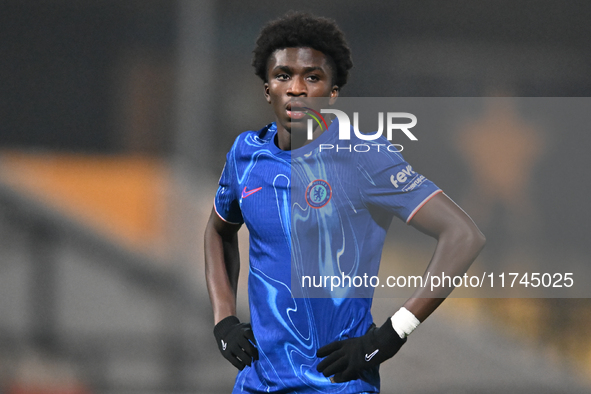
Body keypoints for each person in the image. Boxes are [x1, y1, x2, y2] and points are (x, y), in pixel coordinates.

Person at [204, 11, 485, 393]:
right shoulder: (245, 154)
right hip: (258, 385)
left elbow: (463, 235)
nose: (297, 88)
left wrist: (391, 335)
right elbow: (219, 232)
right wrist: (224, 320)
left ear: (333, 93)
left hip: (338, 385)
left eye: (313, 77)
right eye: (283, 75)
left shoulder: (365, 157)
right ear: (267, 88)